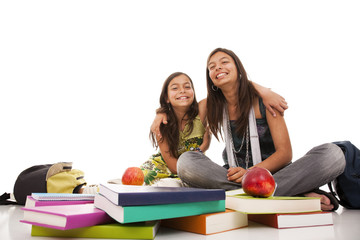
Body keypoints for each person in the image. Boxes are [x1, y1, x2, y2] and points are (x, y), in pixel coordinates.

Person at [175, 48, 345, 211]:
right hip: (231, 176)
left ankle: (244, 196)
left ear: (238, 68)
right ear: (211, 78)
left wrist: (250, 174)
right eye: (211, 67)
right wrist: (161, 114)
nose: (218, 67)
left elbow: (285, 153)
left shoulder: (265, 102)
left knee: (333, 154)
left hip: (275, 173)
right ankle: (289, 194)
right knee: (186, 161)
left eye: (224, 62)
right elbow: (182, 126)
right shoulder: (208, 106)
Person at [143, 71, 286, 186]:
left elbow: (229, 89)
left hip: (192, 165)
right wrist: (160, 112)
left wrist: (265, 92)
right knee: (165, 184)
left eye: (187, 87)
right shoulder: (162, 125)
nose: (182, 91)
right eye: (175, 88)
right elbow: (174, 167)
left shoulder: (202, 109)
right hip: (166, 169)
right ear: (167, 98)